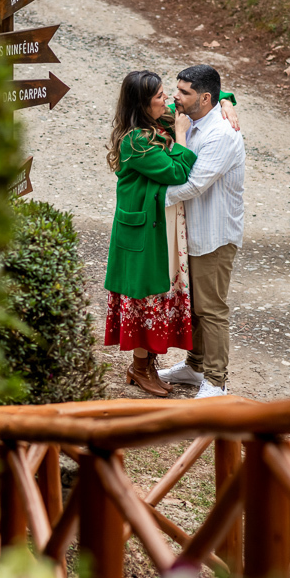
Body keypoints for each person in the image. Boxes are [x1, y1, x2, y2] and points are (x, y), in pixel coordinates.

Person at [103, 70, 197, 397]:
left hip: (159, 226)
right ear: (143, 103)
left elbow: (207, 97)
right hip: (141, 232)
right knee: (145, 297)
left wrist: (227, 103)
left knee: (157, 295)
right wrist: (181, 136)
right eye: (159, 95)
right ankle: (139, 368)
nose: (166, 99)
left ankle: (147, 366)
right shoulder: (136, 141)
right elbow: (177, 172)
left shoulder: (158, 123)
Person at [157, 65, 246, 399]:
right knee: (193, 305)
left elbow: (194, 185)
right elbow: (147, 105)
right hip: (191, 233)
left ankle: (217, 381)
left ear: (204, 98)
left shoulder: (222, 134)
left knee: (210, 309)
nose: (175, 97)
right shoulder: (189, 115)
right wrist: (227, 98)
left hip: (214, 236)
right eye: (177, 89)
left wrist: (149, 197)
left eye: (184, 92)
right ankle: (195, 367)